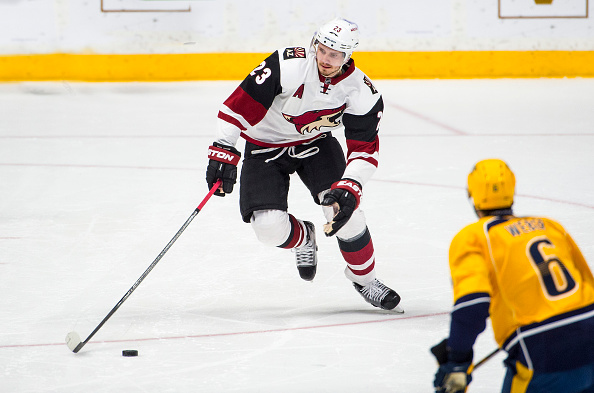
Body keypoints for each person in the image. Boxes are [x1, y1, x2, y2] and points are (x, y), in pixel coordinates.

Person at [205, 17, 402, 311]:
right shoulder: (288, 65)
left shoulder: (362, 91)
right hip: (263, 146)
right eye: (321, 49)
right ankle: (304, 237)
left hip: (316, 145)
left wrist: (351, 185)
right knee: (268, 229)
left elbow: (365, 150)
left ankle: (366, 280)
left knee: (345, 214)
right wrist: (223, 148)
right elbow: (238, 104)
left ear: (348, 56)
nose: (325, 58)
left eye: (334, 55)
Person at [431, 159, 594, 393]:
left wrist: (457, 360)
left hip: (543, 351)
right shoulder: (550, 226)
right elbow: (587, 283)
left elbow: (472, 304)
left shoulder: (474, 237)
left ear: (472, 195)